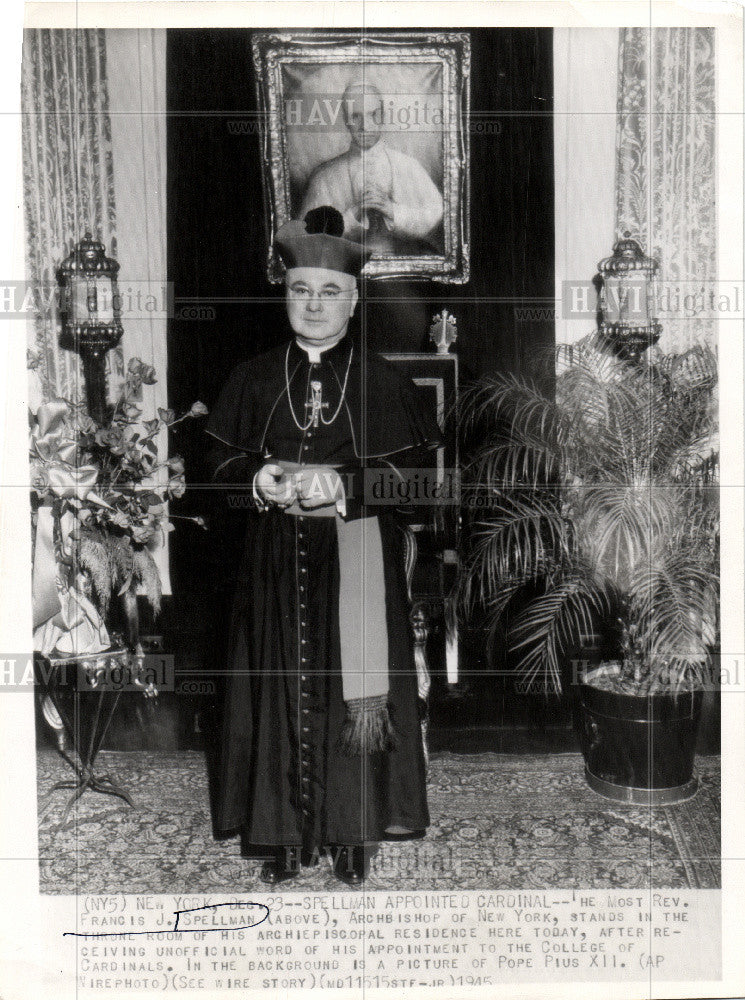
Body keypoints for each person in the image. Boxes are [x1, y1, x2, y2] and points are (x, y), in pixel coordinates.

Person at [204, 205, 442, 886]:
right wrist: (256, 479)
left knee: (351, 699)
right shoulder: (249, 378)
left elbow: (422, 485)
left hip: (355, 558)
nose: (314, 304)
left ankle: (351, 833)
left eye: (329, 291)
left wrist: (340, 488)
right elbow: (209, 475)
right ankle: (276, 835)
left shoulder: (387, 384)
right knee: (271, 689)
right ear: (284, 293)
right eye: (300, 289)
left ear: (354, 298)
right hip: (272, 566)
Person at [298, 82, 444, 255]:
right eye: (356, 116)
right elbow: (307, 236)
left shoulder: (409, 166)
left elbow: (435, 211)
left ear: (382, 116)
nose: (365, 126)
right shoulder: (324, 177)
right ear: (346, 120)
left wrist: (391, 210)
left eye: (373, 115)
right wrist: (352, 216)